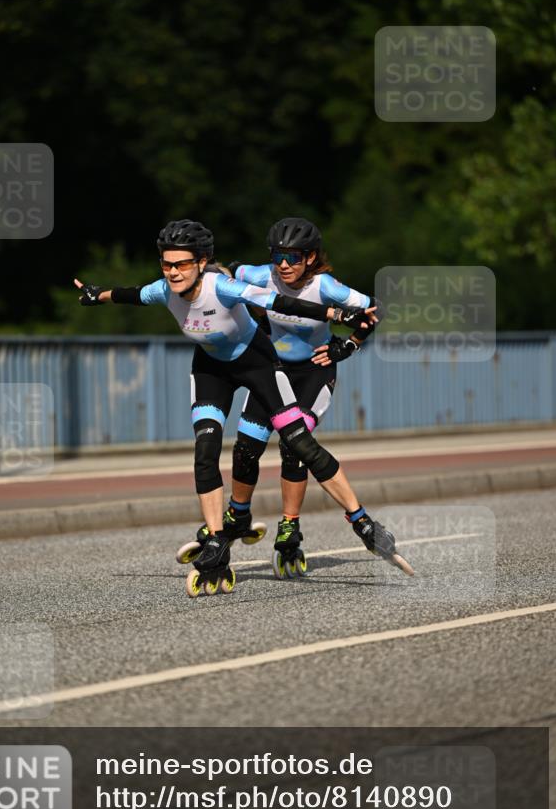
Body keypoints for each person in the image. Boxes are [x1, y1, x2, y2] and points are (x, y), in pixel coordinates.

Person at [75, 219, 411, 598]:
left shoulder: (266, 287)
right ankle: (224, 533)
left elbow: (280, 302)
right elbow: (131, 294)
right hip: (212, 369)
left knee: (297, 445)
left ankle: (351, 522)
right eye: (167, 264)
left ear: (201, 263)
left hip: (273, 365)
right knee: (219, 448)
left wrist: (345, 336)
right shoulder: (173, 288)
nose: (172, 272)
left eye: (181, 264)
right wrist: (97, 295)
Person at [227, 216, 377, 577]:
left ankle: (289, 525)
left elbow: (375, 310)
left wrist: (349, 345)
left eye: (292, 257)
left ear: (310, 257)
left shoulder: (325, 286)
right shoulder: (262, 275)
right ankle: (237, 515)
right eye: (277, 255)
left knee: (294, 445)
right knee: (246, 446)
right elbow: (224, 272)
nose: (283, 265)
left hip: (313, 373)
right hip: (274, 371)